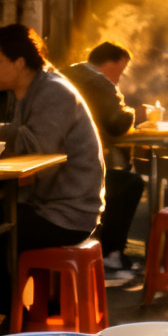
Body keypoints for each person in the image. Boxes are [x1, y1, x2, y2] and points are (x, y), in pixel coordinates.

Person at [0, 25, 105, 307]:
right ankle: (10, 314)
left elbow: (35, 146)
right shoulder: (23, 93)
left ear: (19, 61)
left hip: (66, 213)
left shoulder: (54, 91)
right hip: (39, 203)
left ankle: (10, 320)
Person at [61, 42, 143, 275]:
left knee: (115, 176)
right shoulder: (98, 81)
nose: (120, 76)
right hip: (73, 172)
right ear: (111, 63)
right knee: (130, 183)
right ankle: (111, 253)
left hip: (58, 163)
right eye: (121, 69)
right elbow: (117, 124)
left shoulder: (66, 73)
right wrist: (133, 112)